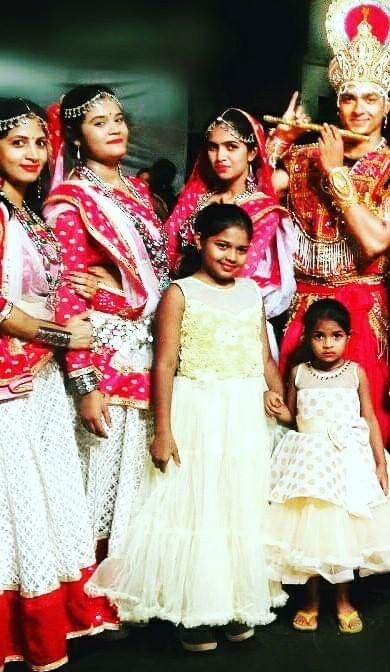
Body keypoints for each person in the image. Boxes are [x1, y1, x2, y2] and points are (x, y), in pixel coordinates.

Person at [87, 204, 286, 652]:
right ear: (200, 242)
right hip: (198, 409)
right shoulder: (180, 293)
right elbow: (164, 363)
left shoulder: (251, 292)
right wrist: (163, 430)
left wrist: (275, 395)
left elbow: (262, 357)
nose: (231, 257)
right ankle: (194, 610)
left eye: (241, 249)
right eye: (222, 246)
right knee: (199, 505)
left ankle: (235, 602)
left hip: (244, 411)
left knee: (239, 503)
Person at [267, 0, 390, 445]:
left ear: (387, 106)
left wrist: (336, 175)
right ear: (337, 104)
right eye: (349, 98)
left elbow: (374, 242)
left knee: (358, 424)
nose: (359, 108)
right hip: (303, 306)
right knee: (294, 420)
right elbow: (253, 202)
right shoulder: (301, 157)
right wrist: (278, 142)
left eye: (371, 98)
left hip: (361, 308)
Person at [0, 98, 109, 670]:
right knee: (14, 501)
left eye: (40, 142)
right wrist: (65, 337)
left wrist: (89, 283)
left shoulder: (30, 213)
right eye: (17, 142)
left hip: (39, 377)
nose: (33, 153)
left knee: (43, 495)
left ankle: (49, 619)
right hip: (10, 382)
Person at [43, 85, 169, 566]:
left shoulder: (138, 191)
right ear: (76, 136)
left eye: (118, 118)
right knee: (102, 465)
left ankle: (134, 577)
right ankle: (96, 582)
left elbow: (159, 272)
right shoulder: (70, 200)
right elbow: (67, 292)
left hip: (147, 343)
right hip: (105, 353)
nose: (115, 128)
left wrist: (125, 289)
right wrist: (85, 384)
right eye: (99, 122)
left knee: (139, 471)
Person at [264, 298, 390, 633]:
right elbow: (293, 417)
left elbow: (370, 419)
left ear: (348, 337)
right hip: (309, 463)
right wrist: (277, 408)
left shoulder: (354, 373)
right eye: (319, 336)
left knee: (345, 533)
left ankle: (343, 599)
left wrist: (380, 464)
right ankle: (311, 600)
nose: (328, 344)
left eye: (336, 336)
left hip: (348, 461)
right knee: (309, 534)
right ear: (307, 337)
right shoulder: (299, 373)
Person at [164, 108, 295, 350]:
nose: (220, 156)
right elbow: (163, 250)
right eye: (213, 147)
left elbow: (240, 270)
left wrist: (184, 263)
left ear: (252, 152)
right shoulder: (195, 198)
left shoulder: (264, 209)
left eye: (231, 147)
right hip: (177, 308)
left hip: (231, 322)